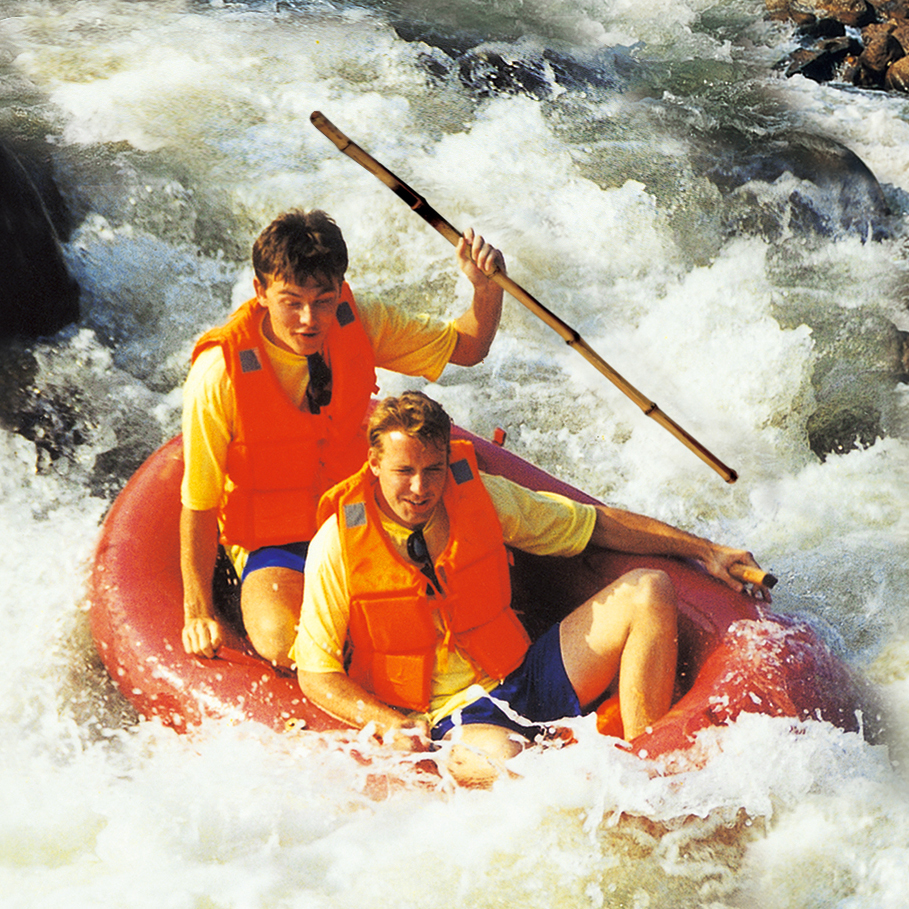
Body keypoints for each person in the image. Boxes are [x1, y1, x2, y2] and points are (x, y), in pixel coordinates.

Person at [293, 391, 773, 786]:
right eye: (404, 472)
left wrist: (705, 549)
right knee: (516, 764)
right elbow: (316, 673)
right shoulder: (336, 544)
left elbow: (594, 525)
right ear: (375, 463)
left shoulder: (478, 494)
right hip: (447, 718)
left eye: (433, 470)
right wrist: (387, 721)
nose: (420, 488)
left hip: (524, 676)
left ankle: (648, 767)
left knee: (650, 589)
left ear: (445, 461)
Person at [180, 210, 506, 669]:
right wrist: (199, 612)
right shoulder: (218, 375)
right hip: (276, 540)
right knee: (280, 642)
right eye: (291, 302)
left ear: (339, 291)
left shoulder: (361, 318)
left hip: (360, 512)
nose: (309, 320)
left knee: (449, 601)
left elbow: (468, 347)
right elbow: (198, 503)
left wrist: (486, 288)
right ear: (261, 292)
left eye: (324, 301)